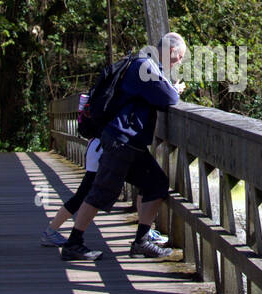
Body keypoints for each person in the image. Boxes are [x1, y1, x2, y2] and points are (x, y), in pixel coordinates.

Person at [61, 31, 187, 261]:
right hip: (122, 140)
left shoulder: (146, 63)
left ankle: (141, 241)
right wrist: (175, 89)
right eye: (179, 58)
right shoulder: (145, 66)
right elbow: (168, 98)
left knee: (155, 183)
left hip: (129, 141)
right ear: (171, 51)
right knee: (100, 192)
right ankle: (73, 243)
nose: (179, 63)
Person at [41, 95, 168, 247]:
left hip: (102, 147)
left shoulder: (111, 87)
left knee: (146, 183)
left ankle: (145, 233)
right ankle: (51, 231)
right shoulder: (124, 87)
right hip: (103, 150)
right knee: (84, 194)